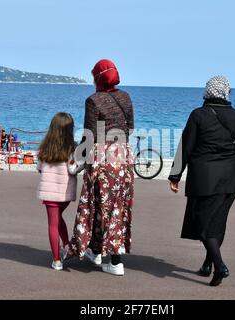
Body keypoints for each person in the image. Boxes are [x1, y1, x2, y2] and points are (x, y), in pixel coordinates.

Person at [168, 76, 235, 287]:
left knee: (203, 226)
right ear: (226, 92)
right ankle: (207, 265)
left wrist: (175, 175)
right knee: (217, 224)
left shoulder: (198, 115)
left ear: (207, 91)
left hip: (204, 178)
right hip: (230, 178)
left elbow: (185, 146)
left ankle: (220, 266)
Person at [68, 59, 135, 276]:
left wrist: (76, 159)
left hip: (103, 158)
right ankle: (95, 250)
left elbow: (89, 136)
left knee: (98, 205)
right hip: (123, 157)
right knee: (117, 207)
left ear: (98, 77)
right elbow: (130, 128)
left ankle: (115, 261)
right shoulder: (125, 97)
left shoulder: (93, 100)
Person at [37, 113, 83, 271]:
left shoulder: (45, 147)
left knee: (52, 223)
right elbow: (74, 169)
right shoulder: (74, 147)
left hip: (49, 192)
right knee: (58, 218)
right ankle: (67, 245)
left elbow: (39, 168)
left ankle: (56, 260)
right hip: (64, 193)